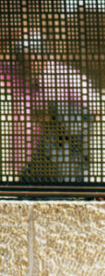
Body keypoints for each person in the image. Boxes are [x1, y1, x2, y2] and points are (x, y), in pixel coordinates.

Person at [1, 32, 97, 183]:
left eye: (32, 58)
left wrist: (54, 114)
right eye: (23, 59)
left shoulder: (66, 76)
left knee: (65, 184)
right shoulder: (16, 73)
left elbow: (92, 109)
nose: (28, 64)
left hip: (60, 146)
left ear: (44, 55)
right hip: (28, 149)